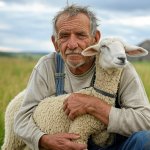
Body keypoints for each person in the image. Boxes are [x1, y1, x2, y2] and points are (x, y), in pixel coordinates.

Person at [14, 5, 150, 150]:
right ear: (55, 43)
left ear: (95, 38)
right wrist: (43, 140)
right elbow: (22, 119)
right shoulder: (48, 66)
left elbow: (146, 121)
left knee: (145, 140)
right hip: (65, 146)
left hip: (113, 145)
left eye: (81, 35)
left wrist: (94, 105)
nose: (72, 44)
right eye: (64, 36)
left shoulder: (120, 68)